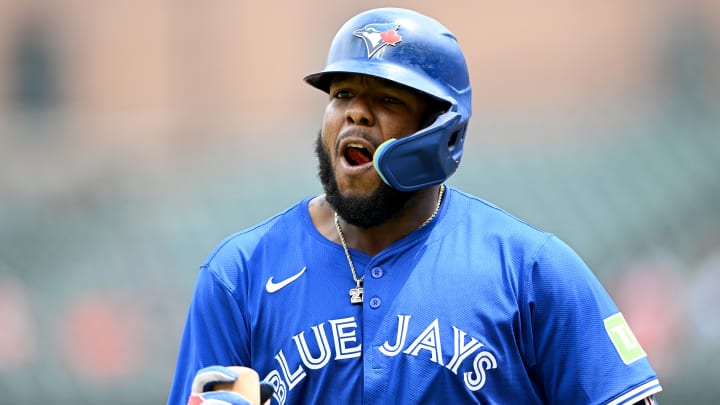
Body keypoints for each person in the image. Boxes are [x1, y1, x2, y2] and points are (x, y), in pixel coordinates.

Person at [168, 7, 662, 405]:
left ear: (440, 132)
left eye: (387, 98)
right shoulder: (239, 276)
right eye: (342, 94)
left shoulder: (530, 270)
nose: (356, 112)